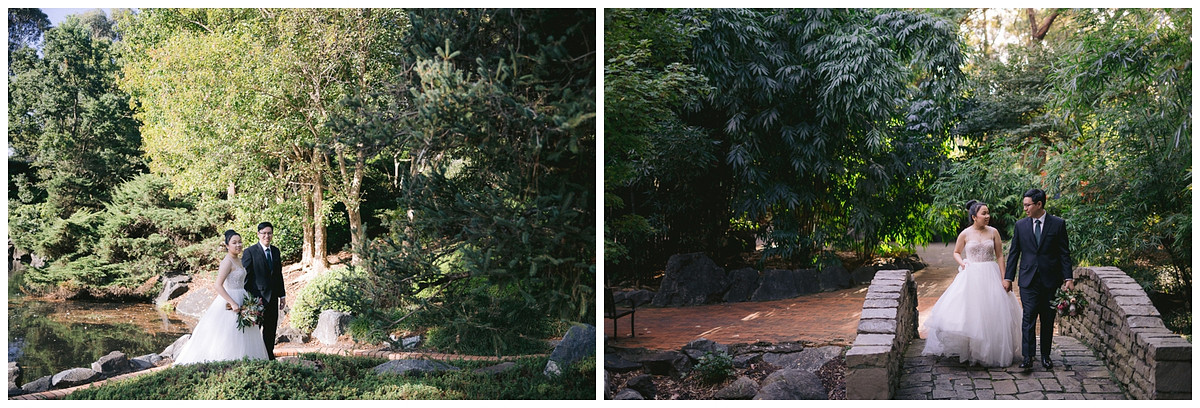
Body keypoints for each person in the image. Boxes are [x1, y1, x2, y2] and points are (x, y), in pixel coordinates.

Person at [922, 200, 1022, 367]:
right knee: (973, 312)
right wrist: (962, 263)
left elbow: (999, 256)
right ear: (974, 217)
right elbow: (956, 252)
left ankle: (992, 351)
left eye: (988, 213)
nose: (987, 216)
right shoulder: (965, 234)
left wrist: (1005, 278)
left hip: (991, 273)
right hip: (971, 275)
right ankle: (972, 351)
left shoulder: (994, 232)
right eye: (984, 213)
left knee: (994, 311)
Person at [173, 230, 269, 365]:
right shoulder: (227, 262)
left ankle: (247, 363)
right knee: (229, 334)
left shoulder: (239, 260)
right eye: (234, 243)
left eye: (240, 242)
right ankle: (228, 363)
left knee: (245, 333)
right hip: (230, 300)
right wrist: (232, 303)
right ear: (227, 245)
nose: (238, 245)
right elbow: (218, 285)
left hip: (243, 297)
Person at [1005, 188, 1074, 371]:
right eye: (1024, 205)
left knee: (1047, 319)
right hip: (1028, 280)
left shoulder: (1058, 224)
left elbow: (1064, 253)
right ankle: (1028, 357)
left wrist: (1068, 278)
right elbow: (1014, 253)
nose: (1025, 208)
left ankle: (1045, 356)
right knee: (1028, 317)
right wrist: (1008, 278)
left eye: (1028, 205)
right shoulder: (1020, 225)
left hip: (1050, 280)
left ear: (1039, 204)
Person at [243, 222, 286, 360]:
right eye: (264, 233)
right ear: (258, 234)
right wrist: (247, 299)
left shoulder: (276, 251)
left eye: (269, 233)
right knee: (254, 330)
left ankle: (268, 357)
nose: (267, 236)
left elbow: (278, 274)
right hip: (257, 299)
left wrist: (282, 295)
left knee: (270, 329)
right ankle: (253, 357)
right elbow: (246, 277)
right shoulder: (250, 252)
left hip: (273, 298)